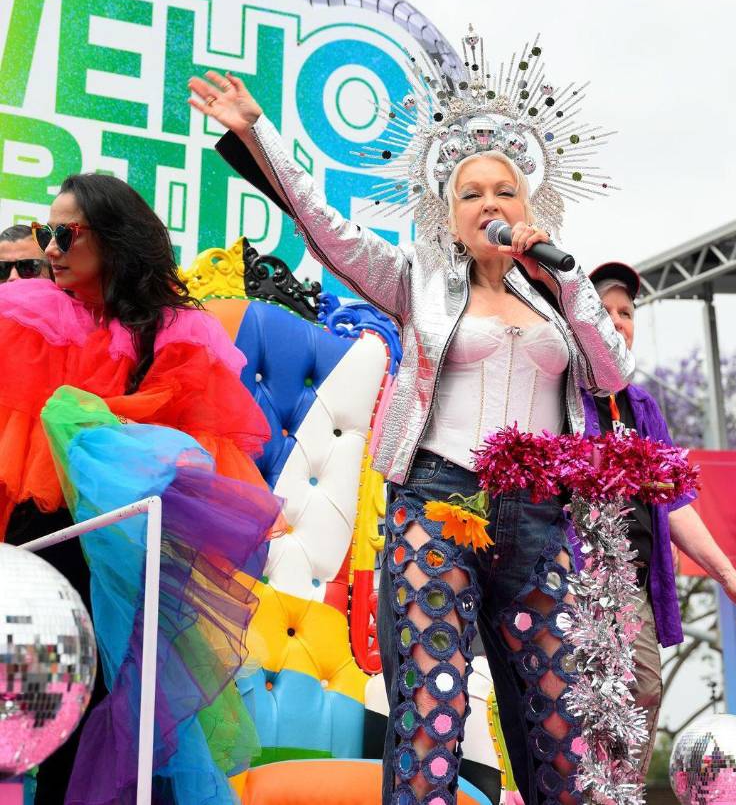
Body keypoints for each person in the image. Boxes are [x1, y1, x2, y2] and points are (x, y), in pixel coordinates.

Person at [190, 59, 634, 805]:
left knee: (560, 719)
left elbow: (612, 374)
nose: (489, 203)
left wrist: (569, 281)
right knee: (433, 709)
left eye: (504, 191)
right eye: (471, 193)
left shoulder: (561, 294)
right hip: (437, 503)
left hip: (540, 518)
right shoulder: (416, 280)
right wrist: (256, 131)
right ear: (447, 210)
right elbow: (325, 228)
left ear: (530, 203)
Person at [0, 174, 280, 803]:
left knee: (96, 704)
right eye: (46, 233)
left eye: (64, 234)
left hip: (123, 548)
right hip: (39, 538)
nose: (49, 249)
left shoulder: (174, 334)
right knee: (36, 700)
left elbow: (189, 459)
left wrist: (90, 424)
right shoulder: (28, 318)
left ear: (113, 237)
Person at [581, 261, 736, 777]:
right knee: (566, 703)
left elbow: (676, 502)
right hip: (568, 577)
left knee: (642, 688)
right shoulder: (561, 391)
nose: (618, 322)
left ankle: (620, 793)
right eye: (605, 310)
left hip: (632, 583)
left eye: (627, 313)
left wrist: (730, 578)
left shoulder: (642, 408)